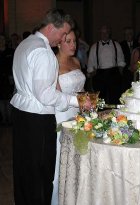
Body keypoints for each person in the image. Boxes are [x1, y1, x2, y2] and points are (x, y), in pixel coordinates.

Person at [10, 9, 77, 205]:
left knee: (24, 167)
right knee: (41, 171)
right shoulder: (43, 51)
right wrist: (75, 101)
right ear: (50, 27)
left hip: (22, 113)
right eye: (63, 33)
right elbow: (45, 94)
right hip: (37, 118)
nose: (63, 38)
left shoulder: (26, 43)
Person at [51, 29, 86, 205]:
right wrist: (79, 101)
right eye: (69, 41)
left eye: (75, 41)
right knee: (60, 161)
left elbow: (80, 90)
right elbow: (54, 96)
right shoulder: (53, 64)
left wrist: (87, 100)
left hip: (78, 116)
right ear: (58, 42)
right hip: (61, 115)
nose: (73, 45)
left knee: (76, 159)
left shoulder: (76, 61)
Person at [87, 25, 125, 104]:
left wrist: (119, 74)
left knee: (115, 98)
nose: (104, 34)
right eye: (102, 33)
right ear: (100, 34)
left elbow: (121, 61)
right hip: (100, 74)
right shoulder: (94, 46)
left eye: (106, 32)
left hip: (114, 73)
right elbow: (90, 64)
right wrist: (92, 76)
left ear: (109, 33)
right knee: (101, 100)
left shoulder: (116, 45)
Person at [120, 27, 137, 92]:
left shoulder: (137, 43)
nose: (127, 36)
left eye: (129, 34)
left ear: (132, 34)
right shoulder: (120, 45)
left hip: (136, 70)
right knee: (126, 90)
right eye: (125, 34)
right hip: (125, 71)